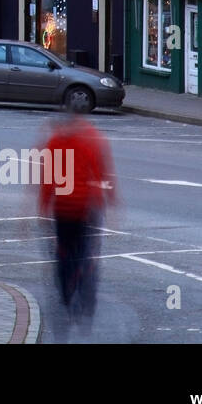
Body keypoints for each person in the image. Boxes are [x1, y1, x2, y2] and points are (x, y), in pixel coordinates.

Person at [37, 111, 117, 319]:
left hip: (63, 208)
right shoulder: (90, 138)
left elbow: (48, 178)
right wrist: (109, 199)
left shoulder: (54, 142)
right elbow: (101, 172)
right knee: (85, 252)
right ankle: (86, 294)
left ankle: (66, 292)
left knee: (63, 252)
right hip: (87, 208)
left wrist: (44, 207)